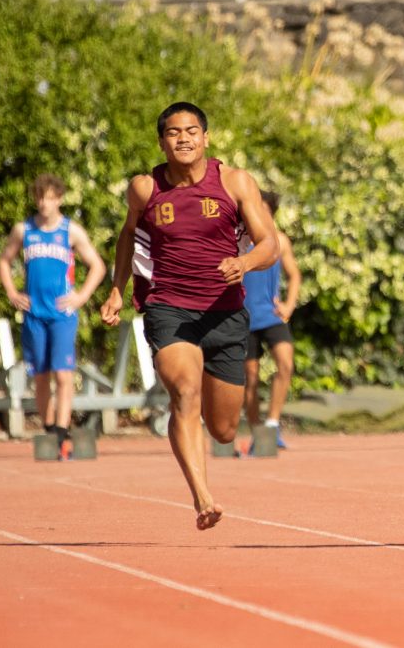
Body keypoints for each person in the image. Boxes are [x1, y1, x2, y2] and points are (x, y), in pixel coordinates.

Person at [100, 102, 279, 531]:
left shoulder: (235, 182)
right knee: (183, 391)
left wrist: (245, 264)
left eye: (192, 131)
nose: (183, 139)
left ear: (206, 138)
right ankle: (202, 496)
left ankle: (207, 443)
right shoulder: (145, 189)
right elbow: (128, 236)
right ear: (162, 142)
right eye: (174, 132)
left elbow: (268, 243)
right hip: (169, 308)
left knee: (223, 429)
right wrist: (116, 289)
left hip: (224, 313)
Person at [0, 174, 107, 459]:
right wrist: (12, 291)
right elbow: (4, 260)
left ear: (59, 199)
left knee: (63, 373)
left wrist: (81, 296)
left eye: (49, 198)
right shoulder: (24, 231)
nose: (44, 204)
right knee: (41, 374)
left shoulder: (71, 231)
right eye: (39, 198)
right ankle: (48, 427)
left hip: (61, 313)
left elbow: (97, 265)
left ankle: (62, 428)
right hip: (35, 313)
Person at [242, 190, 301, 452]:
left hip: (272, 316)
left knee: (286, 364)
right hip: (243, 318)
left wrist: (289, 304)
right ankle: (257, 434)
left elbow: (294, 275)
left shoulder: (280, 241)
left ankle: (273, 424)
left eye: (262, 208)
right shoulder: (241, 241)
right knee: (250, 378)